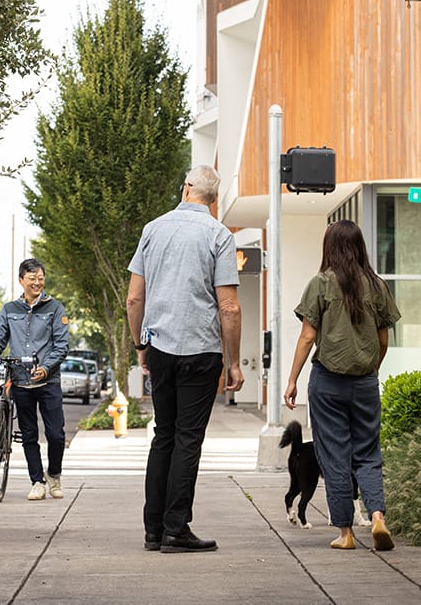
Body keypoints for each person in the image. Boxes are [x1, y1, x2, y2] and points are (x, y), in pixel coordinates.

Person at [126, 164, 243, 554]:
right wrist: (234, 362)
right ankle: (177, 528)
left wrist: (140, 344)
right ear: (212, 200)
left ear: (185, 189)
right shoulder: (219, 235)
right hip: (200, 350)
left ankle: (153, 530)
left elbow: (134, 298)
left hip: (159, 346)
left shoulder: (153, 229)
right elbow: (229, 306)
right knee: (187, 439)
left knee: (164, 434)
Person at [283, 219, 401, 552]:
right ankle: (377, 515)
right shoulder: (377, 286)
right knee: (367, 454)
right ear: (360, 247)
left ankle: (346, 533)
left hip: (327, 383)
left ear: (330, 247)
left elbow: (308, 337)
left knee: (334, 456)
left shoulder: (320, 283)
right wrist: (370, 371)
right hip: (364, 383)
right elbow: (383, 340)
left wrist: (292, 379)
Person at [0, 258, 70, 501]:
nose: (37, 282)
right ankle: (37, 481)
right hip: (20, 381)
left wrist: (45, 367)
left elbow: (61, 346)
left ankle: (54, 474)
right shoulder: (10, 309)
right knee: (29, 434)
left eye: (40, 278)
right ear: (21, 280)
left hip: (48, 381)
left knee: (56, 434)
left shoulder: (55, 308)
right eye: (32, 278)